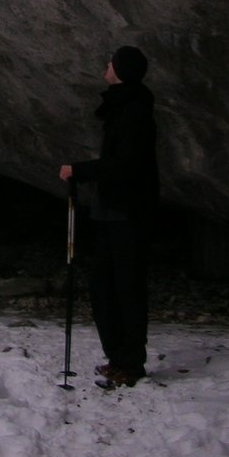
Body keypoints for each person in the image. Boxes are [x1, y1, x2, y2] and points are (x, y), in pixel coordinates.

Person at [59, 45, 159, 388]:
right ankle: (118, 356)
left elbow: (125, 166)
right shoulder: (122, 106)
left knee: (126, 287)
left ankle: (130, 363)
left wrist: (79, 170)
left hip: (127, 212)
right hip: (112, 211)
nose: (106, 65)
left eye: (111, 62)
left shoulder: (134, 111)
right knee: (103, 286)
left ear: (121, 70)